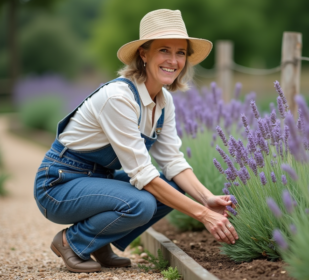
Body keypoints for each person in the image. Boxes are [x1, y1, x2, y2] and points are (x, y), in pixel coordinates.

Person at [33, 9, 238, 273]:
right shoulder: (118, 98)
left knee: (173, 186)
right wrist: (203, 214)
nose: (173, 61)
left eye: (180, 53)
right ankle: (70, 242)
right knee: (141, 202)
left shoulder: (164, 101)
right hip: (59, 185)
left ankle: (97, 242)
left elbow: (173, 161)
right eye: (164, 50)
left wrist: (207, 198)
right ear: (144, 54)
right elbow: (143, 175)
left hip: (96, 182)